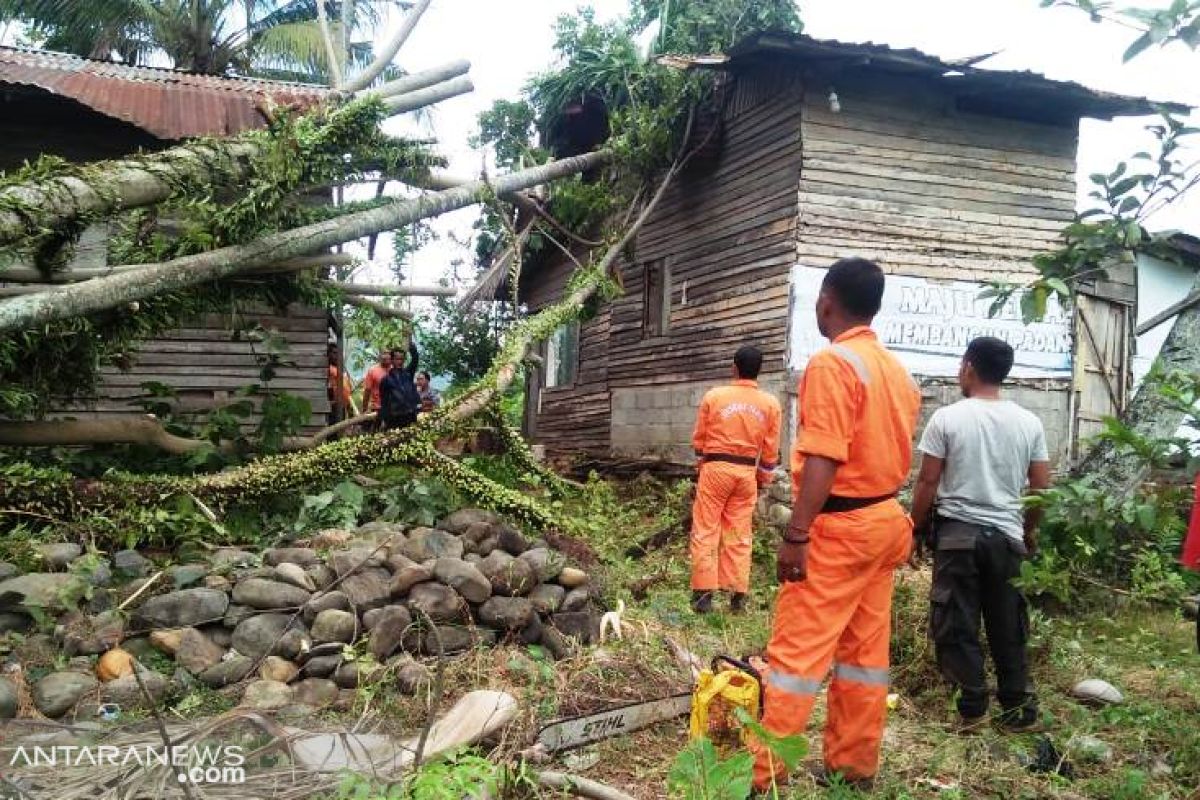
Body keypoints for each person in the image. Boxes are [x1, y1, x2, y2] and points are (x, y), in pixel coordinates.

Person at [751, 258, 921, 793]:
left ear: (826, 301)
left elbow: (824, 456)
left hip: (841, 528)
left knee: (796, 657)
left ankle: (760, 775)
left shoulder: (833, 364)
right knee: (864, 657)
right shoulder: (897, 372)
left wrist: (797, 534)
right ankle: (852, 769)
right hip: (886, 522)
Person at [911, 338, 1051, 733]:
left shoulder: (947, 418)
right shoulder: (1030, 423)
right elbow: (1041, 488)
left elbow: (927, 480)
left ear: (969, 367)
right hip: (1007, 538)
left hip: (957, 537)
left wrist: (915, 528)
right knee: (1009, 623)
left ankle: (972, 710)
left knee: (956, 624)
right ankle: (1017, 711)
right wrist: (1027, 530)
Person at [689, 345, 782, 614]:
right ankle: (737, 597)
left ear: (734, 367)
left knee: (706, 530)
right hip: (746, 475)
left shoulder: (714, 397)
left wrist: (702, 466)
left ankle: (703, 597)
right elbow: (771, 449)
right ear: (759, 371)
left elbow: (700, 438)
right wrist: (763, 478)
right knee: (739, 534)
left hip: (716, 469)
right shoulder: (770, 404)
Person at [378, 340, 421, 430]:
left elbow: (415, 359)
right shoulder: (386, 380)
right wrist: (383, 419)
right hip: (394, 418)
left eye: (402, 359)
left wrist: (410, 344)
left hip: (410, 415)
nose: (400, 362)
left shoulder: (408, 374)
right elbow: (384, 402)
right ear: (392, 360)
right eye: (397, 359)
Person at [326, 345, 354, 425]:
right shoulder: (328, 369)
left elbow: (346, 390)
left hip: (343, 406)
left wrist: (349, 408)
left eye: (338, 353)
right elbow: (329, 387)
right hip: (333, 406)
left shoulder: (341, 369)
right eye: (334, 353)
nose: (336, 356)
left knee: (341, 429)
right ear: (329, 354)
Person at [361, 350, 392, 414]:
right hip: (377, 408)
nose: (386, 356)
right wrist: (364, 408)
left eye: (388, 353)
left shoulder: (395, 370)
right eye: (384, 353)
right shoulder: (372, 370)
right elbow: (367, 390)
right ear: (380, 356)